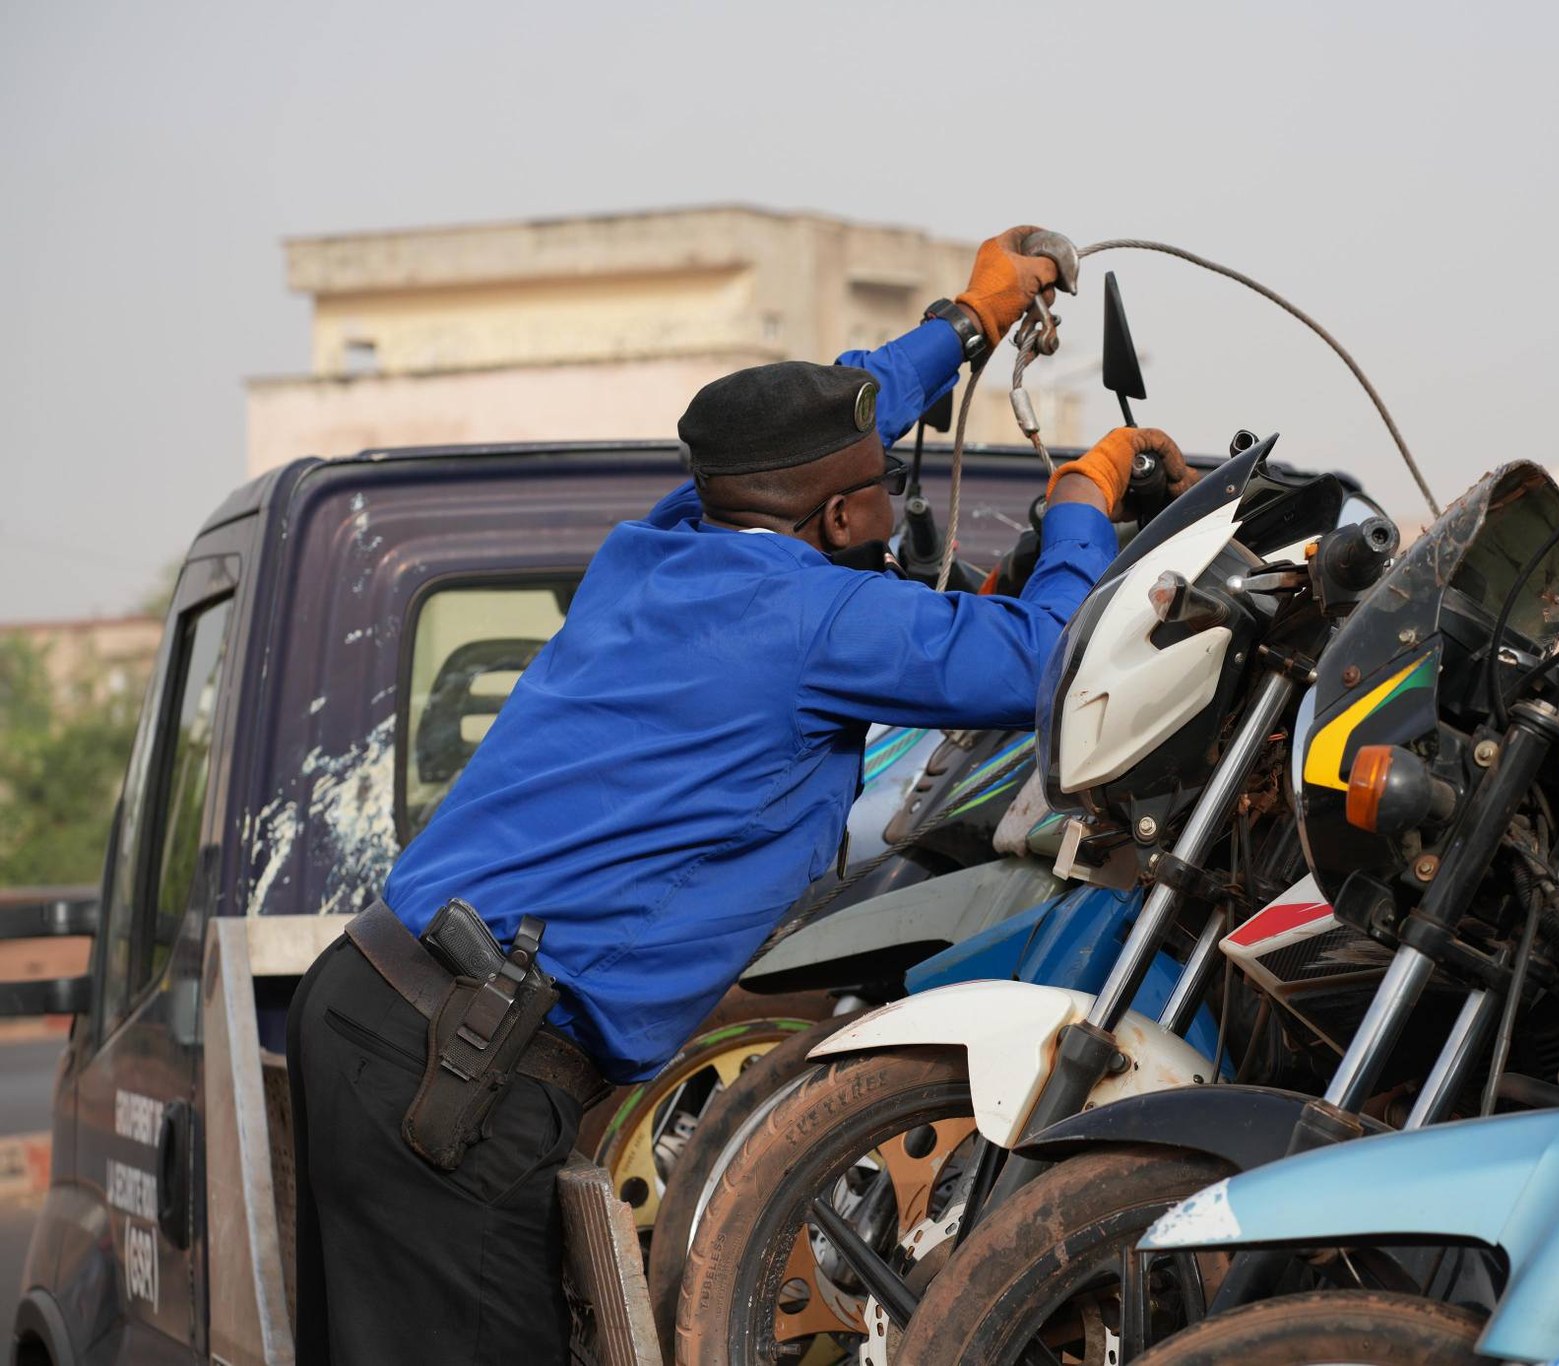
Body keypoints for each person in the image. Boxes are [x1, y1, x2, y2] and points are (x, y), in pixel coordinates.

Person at [284, 225, 1193, 1365]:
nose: (892, 505)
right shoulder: (814, 621)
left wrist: (967, 324)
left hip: (379, 1010)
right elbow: (1049, 662)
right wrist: (1080, 500)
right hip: (463, 1071)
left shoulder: (666, 541)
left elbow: (839, 408)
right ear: (836, 521)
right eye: (881, 493)